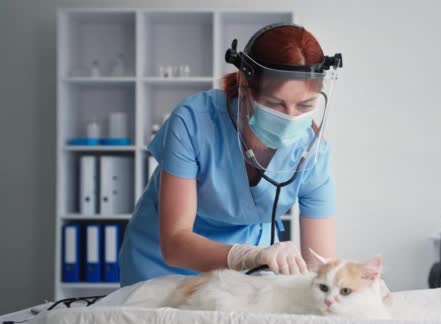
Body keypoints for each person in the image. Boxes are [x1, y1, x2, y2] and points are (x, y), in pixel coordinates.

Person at [118, 23, 344, 286]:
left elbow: (321, 265)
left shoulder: (312, 152)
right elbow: (175, 243)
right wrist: (248, 256)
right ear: (245, 84)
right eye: (275, 103)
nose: (290, 117)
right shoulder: (194, 122)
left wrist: (357, 287)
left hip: (246, 275)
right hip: (160, 268)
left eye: (305, 105)